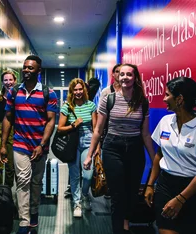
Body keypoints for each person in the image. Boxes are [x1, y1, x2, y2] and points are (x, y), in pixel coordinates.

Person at [84, 63, 155, 234]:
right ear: (117, 77)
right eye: (122, 74)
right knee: (117, 195)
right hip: (112, 148)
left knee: (131, 194)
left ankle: (125, 223)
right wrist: (89, 155)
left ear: (135, 77)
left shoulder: (142, 102)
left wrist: (155, 159)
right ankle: (118, 230)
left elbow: (145, 134)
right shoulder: (109, 99)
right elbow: (98, 130)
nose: (125, 77)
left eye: (129, 75)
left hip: (135, 148)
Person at [0, 55, 57, 234]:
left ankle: (33, 214)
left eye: (31, 68)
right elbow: (8, 118)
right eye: (25, 67)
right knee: (23, 181)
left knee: (36, 182)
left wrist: (42, 144)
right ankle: (24, 222)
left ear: (38, 71)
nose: (26, 70)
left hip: (40, 145)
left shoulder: (49, 93)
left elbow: (50, 121)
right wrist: (2, 145)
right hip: (20, 143)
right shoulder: (14, 92)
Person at [144, 77, 196, 234]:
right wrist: (150, 184)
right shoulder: (165, 121)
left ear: (179, 99)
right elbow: (160, 154)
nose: (164, 99)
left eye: (167, 95)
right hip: (166, 185)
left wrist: (181, 199)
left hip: (191, 189)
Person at [57, 78, 97, 217]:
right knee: (74, 176)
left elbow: (95, 128)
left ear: (84, 90)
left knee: (88, 175)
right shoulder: (67, 107)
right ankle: (77, 203)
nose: (78, 92)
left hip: (88, 141)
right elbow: (60, 129)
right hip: (72, 143)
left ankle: (85, 194)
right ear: (72, 92)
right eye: (76, 90)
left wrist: (96, 147)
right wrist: (73, 124)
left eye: (80, 89)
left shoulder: (91, 105)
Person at [99, 64, 121, 199]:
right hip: (109, 134)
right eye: (117, 72)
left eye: (122, 72)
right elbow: (101, 115)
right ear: (113, 75)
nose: (120, 74)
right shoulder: (107, 92)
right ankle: (110, 187)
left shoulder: (134, 92)